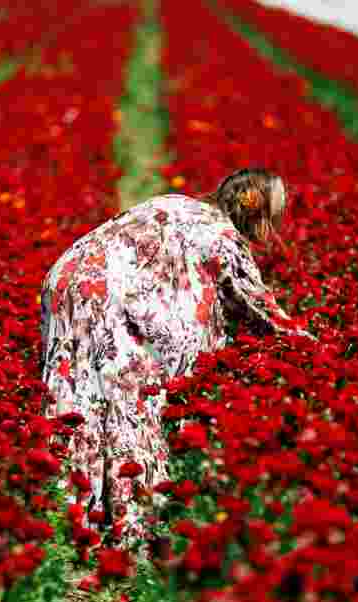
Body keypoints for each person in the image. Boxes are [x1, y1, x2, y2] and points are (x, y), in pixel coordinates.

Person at [39, 167, 313, 548]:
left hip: (65, 280)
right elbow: (262, 308)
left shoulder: (177, 203)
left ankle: (61, 512)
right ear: (255, 207)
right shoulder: (222, 236)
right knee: (129, 406)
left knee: (77, 399)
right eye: (275, 213)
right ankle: (128, 528)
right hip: (105, 298)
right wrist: (314, 346)